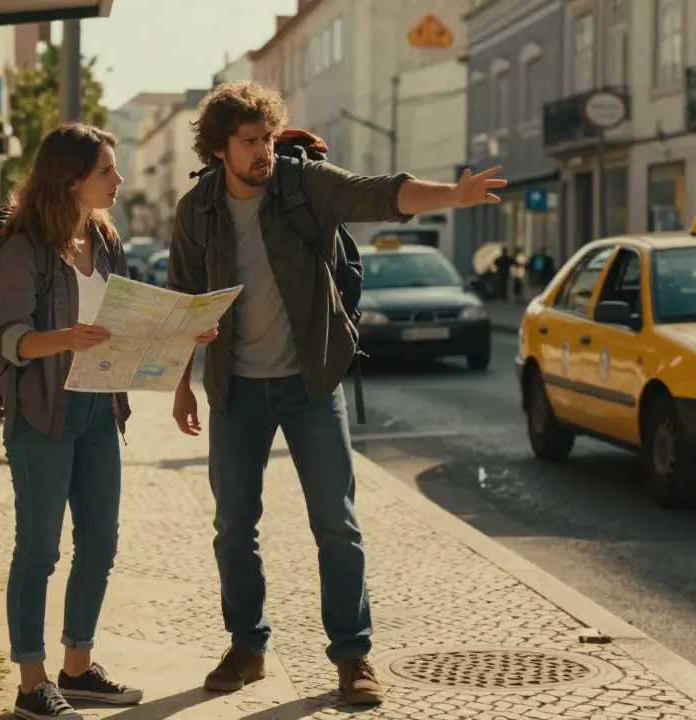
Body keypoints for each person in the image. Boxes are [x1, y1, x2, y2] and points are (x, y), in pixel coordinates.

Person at [165, 81, 508, 706]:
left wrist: (452, 195)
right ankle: (247, 646)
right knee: (233, 525)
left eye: (268, 138)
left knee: (336, 524)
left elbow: (379, 193)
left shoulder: (303, 184)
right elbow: (184, 299)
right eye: (249, 141)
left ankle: (352, 655)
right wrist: (182, 384)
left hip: (312, 381)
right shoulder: (197, 210)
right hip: (235, 389)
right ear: (219, 148)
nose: (264, 151)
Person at [0, 121, 218, 720]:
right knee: (38, 551)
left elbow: (129, 323)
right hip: (43, 413)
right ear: (70, 179)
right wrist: (64, 337)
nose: (118, 178)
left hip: (100, 409)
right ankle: (31, 683)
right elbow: (8, 338)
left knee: (99, 544)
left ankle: (78, 667)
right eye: (105, 170)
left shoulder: (106, 239)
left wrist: (183, 332)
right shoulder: (24, 247)